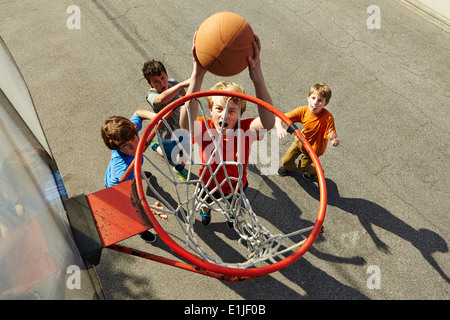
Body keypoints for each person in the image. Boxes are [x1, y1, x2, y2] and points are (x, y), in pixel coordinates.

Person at [179, 33, 275, 226]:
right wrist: (197, 75)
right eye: (219, 109)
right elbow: (185, 124)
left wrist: (257, 78)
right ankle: (206, 212)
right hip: (208, 183)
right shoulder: (204, 127)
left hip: (237, 184)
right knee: (204, 202)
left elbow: (269, 122)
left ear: (240, 114)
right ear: (210, 110)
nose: (225, 115)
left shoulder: (245, 129)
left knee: (234, 204)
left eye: (232, 110)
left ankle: (231, 213)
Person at [101, 110, 168, 243]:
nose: (135, 145)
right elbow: (136, 203)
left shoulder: (128, 132)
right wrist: (154, 210)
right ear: (116, 147)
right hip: (119, 189)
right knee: (134, 216)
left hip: (129, 172)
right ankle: (142, 231)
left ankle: (140, 175)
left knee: (137, 169)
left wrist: (155, 118)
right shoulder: (124, 169)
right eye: (126, 145)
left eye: (133, 139)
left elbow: (138, 113)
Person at [276, 82, 340, 181]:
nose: (315, 103)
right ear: (308, 97)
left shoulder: (327, 118)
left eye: (320, 100)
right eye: (313, 98)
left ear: (325, 103)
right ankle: (289, 168)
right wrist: (279, 127)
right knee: (285, 161)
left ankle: (316, 172)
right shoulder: (303, 111)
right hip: (300, 141)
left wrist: (334, 140)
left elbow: (334, 139)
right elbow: (279, 117)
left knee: (302, 168)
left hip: (313, 149)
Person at [142, 59, 191, 181]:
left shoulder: (173, 83)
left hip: (180, 127)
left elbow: (184, 95)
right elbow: (161, 100)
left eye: (163, 78)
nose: (162, 83)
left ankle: (179, 168)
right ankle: (155, 147)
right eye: (156, 82)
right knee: (169, 155)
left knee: (186, 150)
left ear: (167, 75)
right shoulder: (151, 95)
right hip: (166, 134)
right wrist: (180, 85)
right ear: (150, 83)